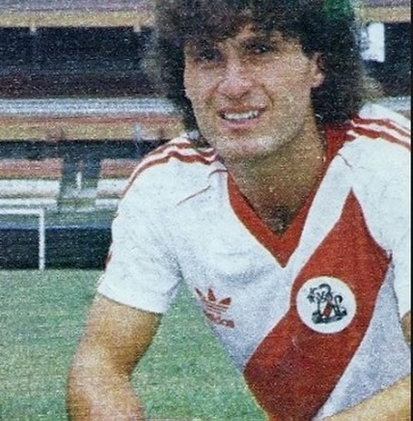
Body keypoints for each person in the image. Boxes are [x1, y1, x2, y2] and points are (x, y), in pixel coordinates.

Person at [67, 0, 410, 420]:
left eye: (260, 50)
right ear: (183, 77)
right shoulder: (165, 186)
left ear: (317, 65)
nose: (233, 85)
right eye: (208, 56)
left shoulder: (394, 167)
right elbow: (100, 365)